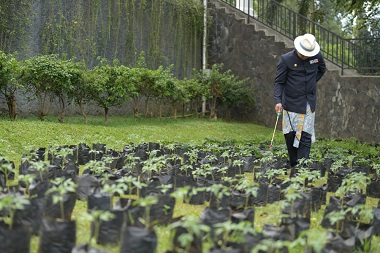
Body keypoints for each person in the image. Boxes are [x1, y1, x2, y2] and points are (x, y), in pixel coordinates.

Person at [273, 33, 327, 168]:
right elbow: (279, 82)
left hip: (308, 103)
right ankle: (293, 164)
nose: (305, 56)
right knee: (290, 135)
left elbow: (322, 69)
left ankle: (302, 168)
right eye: (303, 53)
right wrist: (278, 100)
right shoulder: (286, 60)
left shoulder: (317, 56)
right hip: (290, 103)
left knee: (305, 135)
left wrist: (312, 83)